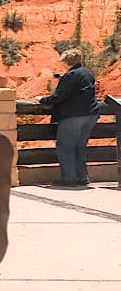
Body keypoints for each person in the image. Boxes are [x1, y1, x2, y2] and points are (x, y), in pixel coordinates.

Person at [39, 48, 99, 187]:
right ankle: (82, 178)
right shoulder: (87, 73)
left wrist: (43, 100)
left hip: (73, 116)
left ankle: (69, 179)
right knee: (80, 147)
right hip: (90, 114)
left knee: (65, 147)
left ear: (66, 62)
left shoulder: (70, 75)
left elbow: (59, 96)